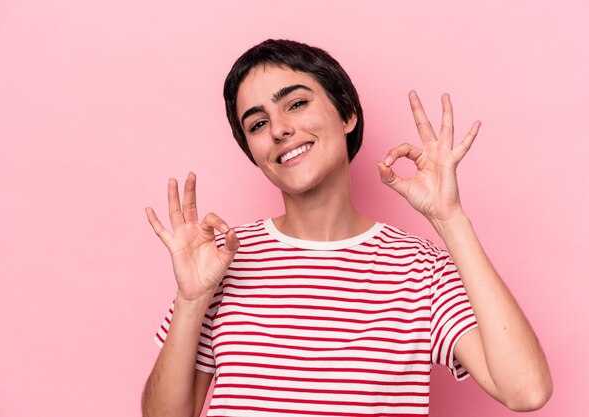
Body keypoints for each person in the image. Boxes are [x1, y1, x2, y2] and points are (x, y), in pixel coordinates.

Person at [141, 39, 552, 417]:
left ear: (347, 114)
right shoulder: (222, 260)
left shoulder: (421, 269)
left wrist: (450, 219)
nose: (279, 128)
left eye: (296, 104)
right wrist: (192, 299)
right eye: (257, 124)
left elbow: (526, 391)